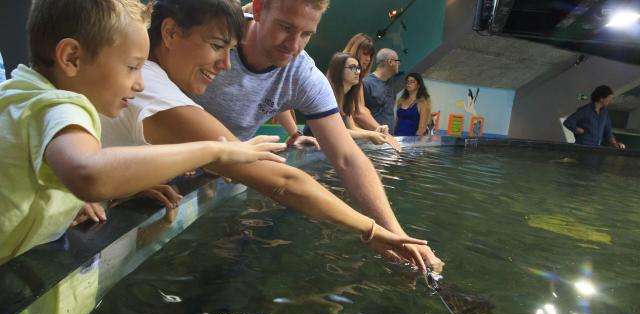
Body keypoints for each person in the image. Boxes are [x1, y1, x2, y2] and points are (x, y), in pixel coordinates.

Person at [101, 0, 439, 272]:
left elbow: (348, 157)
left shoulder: (301, 73)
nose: (226, 65)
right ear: (258, 10)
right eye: (286, 27)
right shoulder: (157, 75)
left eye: (307, 34)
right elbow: (280, 181)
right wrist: (370, 231)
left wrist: (396, 233)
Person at [0, 0, 289, 265]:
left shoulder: (20, 95)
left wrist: (102, 190)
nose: (139, 85)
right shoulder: (62, 107)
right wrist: (215, 150)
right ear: (72, 57)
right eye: (132, 67)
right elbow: (89, 174)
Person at [303, 52, 387, 144]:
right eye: (352, 68)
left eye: (358, 68)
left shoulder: (347, 98)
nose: (357, 72)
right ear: (338, 70)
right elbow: (335, 132)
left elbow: (351, 128)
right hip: (312, 149)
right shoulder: (325, 95)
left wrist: (375, 133)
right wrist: (369, 135)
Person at [362, 48, 401, 131]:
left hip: (389, 138)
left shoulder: (390, 82)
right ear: (390, 62)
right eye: (397, 61)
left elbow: (389, 108)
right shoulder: (366, 83)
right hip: (371, 139)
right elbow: (359, 114)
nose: (399, 64)